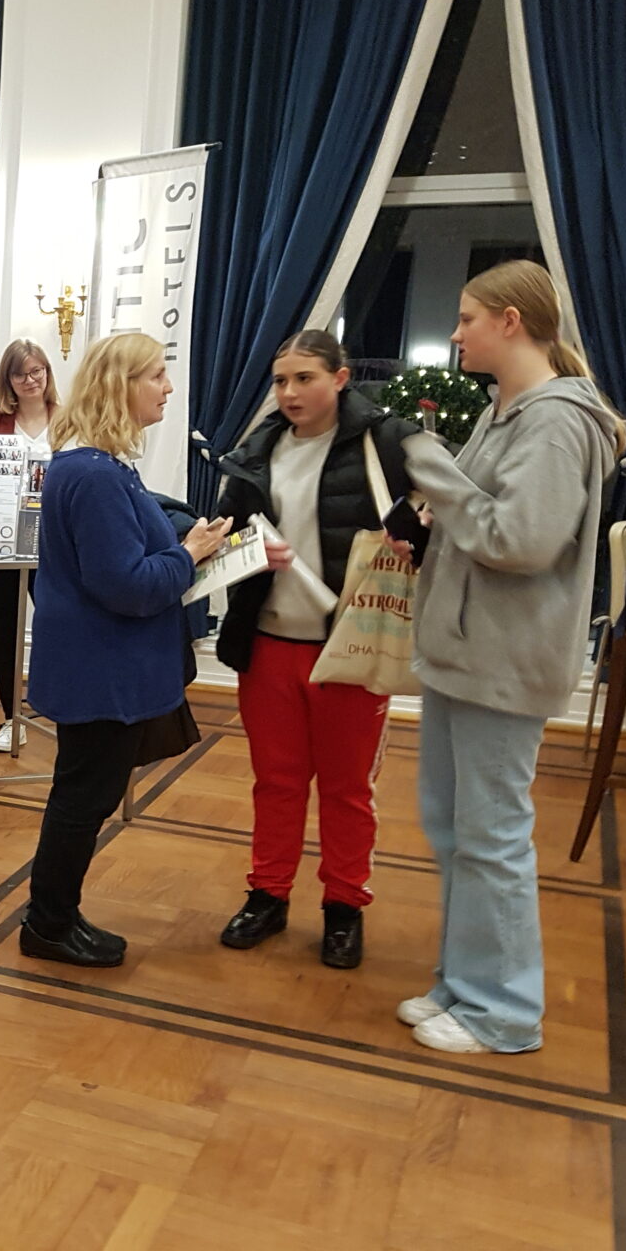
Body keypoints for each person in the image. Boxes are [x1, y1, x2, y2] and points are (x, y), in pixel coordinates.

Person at [393, 260, 626, 1055]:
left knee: (491, 836)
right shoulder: (507, 410)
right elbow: (479, 516)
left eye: (467, 318)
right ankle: (466, 984)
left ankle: (506, 1012)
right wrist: (432, 519)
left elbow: (520, 541)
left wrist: (430, 467)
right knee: (454, 828)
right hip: (466, 653)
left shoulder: (556, 421)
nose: (456, 333)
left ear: (511, 322)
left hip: (505, 658)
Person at [215, 331, 450, 970]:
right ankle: (267, 895)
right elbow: (224, 538)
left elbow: (452, 514)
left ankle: (345, 906)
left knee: (347, 789)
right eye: (280, 381)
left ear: (340, 379)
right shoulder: (256, 451)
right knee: (276, 782)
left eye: (305, 379)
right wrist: (243, 551)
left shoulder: (389, 442)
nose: (289, 393)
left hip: (351, 644)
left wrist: (420, 533)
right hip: (268, 643)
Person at [19, 333, 231, 966]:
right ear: (121, 386)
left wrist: (185, 549)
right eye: (157, 376)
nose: (168, 388)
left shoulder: (96, 467)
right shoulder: (95, 474)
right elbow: (129, 586)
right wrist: (189, 554)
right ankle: (48, 924)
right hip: (101, 668)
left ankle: (55, 916)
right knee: (82, 801)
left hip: (98, 663)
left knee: (83, 797)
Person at [0, 340, 58, 752]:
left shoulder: (69, 419)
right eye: (20, 373)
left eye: (37, 371)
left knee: (60, 628)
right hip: (1, 545)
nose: (30, 380)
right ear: (8, 380)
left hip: (55, 546)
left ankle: (65, 713)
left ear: (47, 372)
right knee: (4, 632)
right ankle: (11, 719)